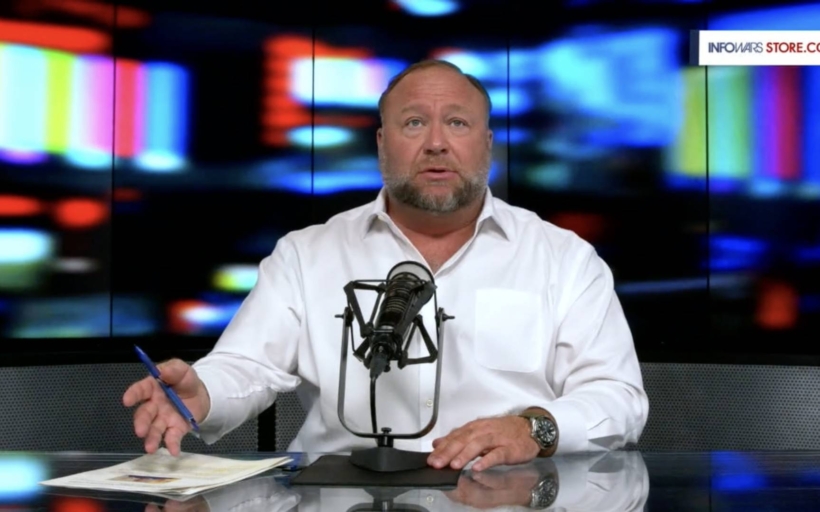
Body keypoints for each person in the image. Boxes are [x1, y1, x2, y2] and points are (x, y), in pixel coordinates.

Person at [123, 59, 649, 472]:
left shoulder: (564, 259)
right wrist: (203, 391)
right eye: (414, 122)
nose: (436, 143)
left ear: (487, 145)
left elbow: (619, 398)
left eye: (457, 123)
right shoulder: (307, 254)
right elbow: (248, 365)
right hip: (337, 495)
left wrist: (532, 430)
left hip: (505, 495)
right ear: (382, 143)